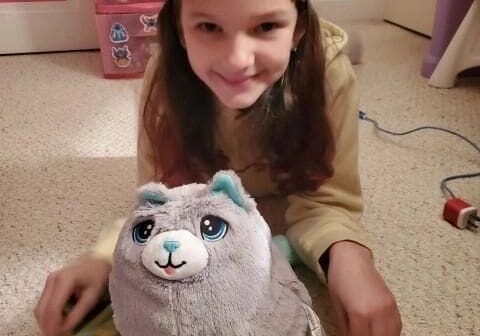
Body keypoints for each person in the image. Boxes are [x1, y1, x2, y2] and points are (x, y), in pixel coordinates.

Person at [34, 0, 402, 335]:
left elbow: (327, 198)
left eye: (266, 26)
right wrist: (102, 258)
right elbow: (164, 201)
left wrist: (348, 255)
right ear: (180, 29)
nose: (237, 60)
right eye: (209, 28)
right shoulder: (165, 80)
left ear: (299, 28)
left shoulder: (329, 72)